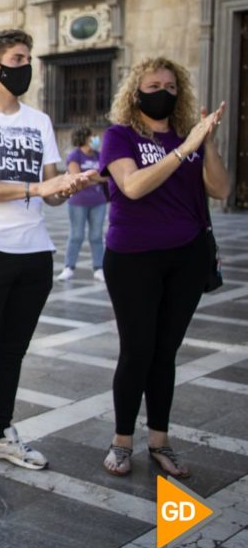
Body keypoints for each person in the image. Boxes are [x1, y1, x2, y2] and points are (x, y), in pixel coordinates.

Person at [0, 29, 97, 484]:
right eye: (18, 57)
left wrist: (68, 185)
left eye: (29, 57)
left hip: (34, 251)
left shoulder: (40, 121)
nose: (25, 66)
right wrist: (35, 187)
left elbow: (50, 193)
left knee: (13, 350)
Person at [99, 57, 229, 479]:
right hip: (133, 257)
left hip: (186, 257)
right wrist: (182, 150)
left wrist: (204, 141)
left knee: (164, 352)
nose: (164, 92)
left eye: (172, 86)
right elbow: (132, 186)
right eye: (155, 85)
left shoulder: (187, 138)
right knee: (137, 349)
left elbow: (221, 188)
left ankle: (160, 441)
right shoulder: (119, 136)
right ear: (136, 93)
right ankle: (121, 441)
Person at [57, 126, 108, 282]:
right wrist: (94, 177)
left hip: (99, 201)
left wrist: (90, 178)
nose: (95, 139)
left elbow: (107, 176)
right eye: (92, 136)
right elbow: (76, 177)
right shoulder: (75, 155)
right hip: (78, 202)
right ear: (84, 138)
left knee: (96, 236)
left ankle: (99, 268)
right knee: (76, 235)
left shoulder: (99, 155)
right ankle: (69, 267)